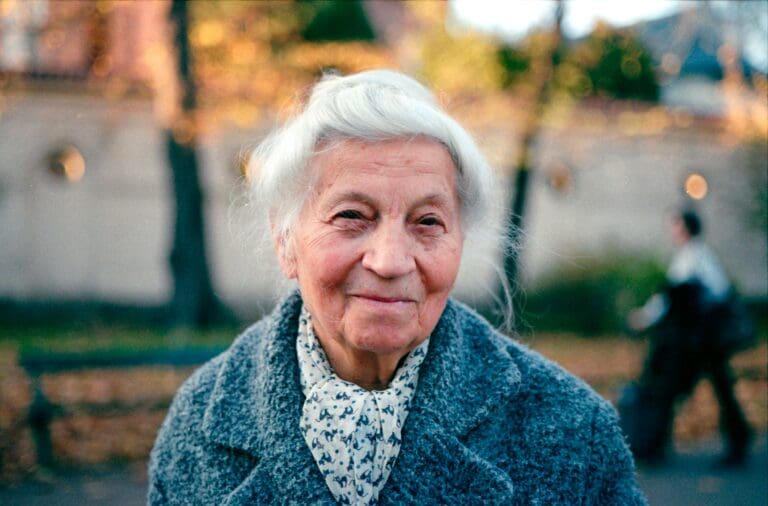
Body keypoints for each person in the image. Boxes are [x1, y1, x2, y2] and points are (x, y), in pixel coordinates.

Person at [148, 70, 646, 504]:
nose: (389, 261)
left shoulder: (573, 431)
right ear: (286, 240)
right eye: (351, 216)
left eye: (427, 221)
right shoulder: (198, 426)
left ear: (459, 241)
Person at [627, 209, 753, 466]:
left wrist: (644, 318)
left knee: (671, 387)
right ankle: (738, 438)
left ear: (684, 228)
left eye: (675, 225)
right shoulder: (698, 255)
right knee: (715, 386)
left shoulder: (692, 257)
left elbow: (672, 298)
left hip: (695, 340)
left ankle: (655, 446)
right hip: (702, 339)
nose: (672, 230)